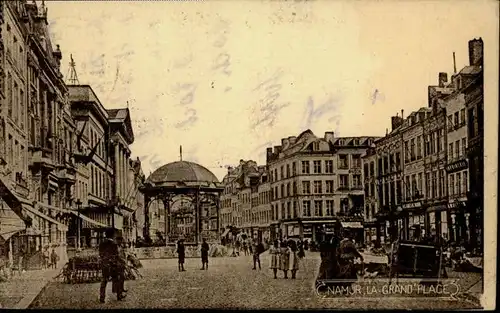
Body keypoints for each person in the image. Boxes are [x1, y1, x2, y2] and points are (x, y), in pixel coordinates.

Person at [99, 228, 125, 303]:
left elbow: (100, 254)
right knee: (116, 279)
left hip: (104, 264)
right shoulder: (114, 244)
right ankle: (119, 296)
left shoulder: (102, 243)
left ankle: (102, 297)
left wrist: (104, 259)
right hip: (113, 264)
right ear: (112, 235)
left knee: (104, 280)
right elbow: (116, 255)